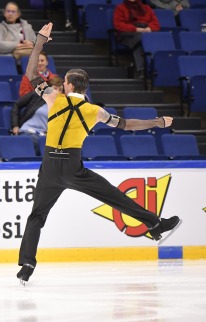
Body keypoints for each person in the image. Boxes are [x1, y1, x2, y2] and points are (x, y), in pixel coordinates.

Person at [16, 23, 181, 284]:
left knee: (37, 215)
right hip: (72, 167)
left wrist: (39, 40)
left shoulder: (53, 97)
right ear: (85, 88)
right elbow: (128, 125)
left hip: (49, 166)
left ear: (68, 85)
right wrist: (157, 122)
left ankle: (26, 264)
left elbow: (30, 71)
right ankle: (154, 224)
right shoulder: (97, 112)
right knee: (114, 196)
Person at [12, 75, 63, 156]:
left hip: (45, 136)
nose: (57, 92)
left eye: (60, 90)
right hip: (28, 131)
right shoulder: (37, 95)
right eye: (55, 88)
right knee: (38, 143)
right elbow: (16, 105)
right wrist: (15, 125)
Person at [113, 0, 160, 79]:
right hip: (128, 34)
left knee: (154, 39)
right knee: (140, 41)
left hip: (145, 31)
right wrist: (135, 29)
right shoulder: (120, 8)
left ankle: (152, 70)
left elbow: (156, 23)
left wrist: (150, 28)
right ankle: (142, 70)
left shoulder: (147, 8)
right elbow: (119, 25)